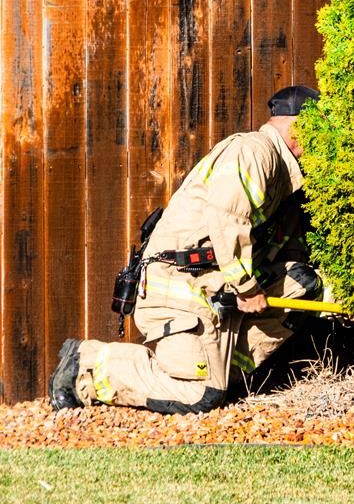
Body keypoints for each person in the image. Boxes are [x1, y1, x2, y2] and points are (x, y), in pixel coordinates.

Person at [48, 86, 325, 413]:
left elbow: (286, 254)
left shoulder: (286, 177)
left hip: (217, 290)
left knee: (307, 285)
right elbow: (227, 220)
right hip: (181, 288)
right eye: (319, 129)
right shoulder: (255, 153)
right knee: (200, 395)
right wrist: (248, 288)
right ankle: (88, 364)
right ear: (298, 127)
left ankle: (226, 375)